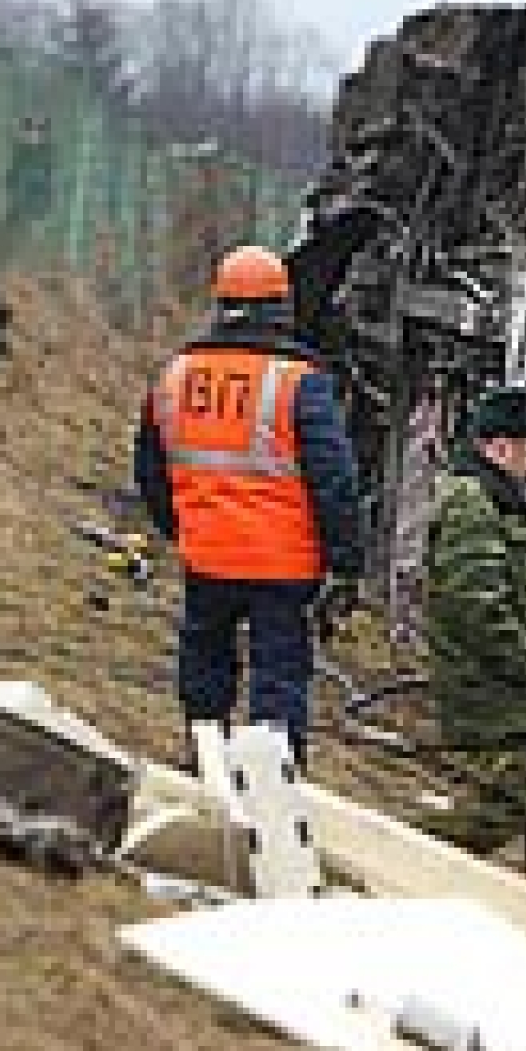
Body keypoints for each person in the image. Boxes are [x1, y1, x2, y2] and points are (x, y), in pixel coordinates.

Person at [134, 246, 361, 768]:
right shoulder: (299, 383)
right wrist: (345, 563)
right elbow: (335, 482)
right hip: (284, 565)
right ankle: (271, 789)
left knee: (205, 671)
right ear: (281, 306)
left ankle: (202, 766)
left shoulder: (175, 375)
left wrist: (186, 528)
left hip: (206, 556)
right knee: (277, 684)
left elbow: (150, 471)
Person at [422, 385, 526, 863]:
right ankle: (395, 860)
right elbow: (478, 607)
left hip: (521, 691)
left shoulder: (503, 502)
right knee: (503, 807)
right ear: (499, 447)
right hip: (494, 692)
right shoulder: (473, 505)